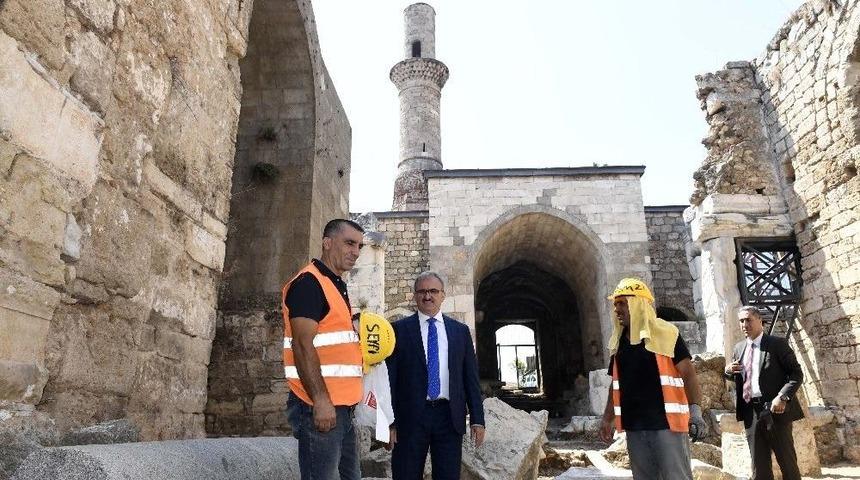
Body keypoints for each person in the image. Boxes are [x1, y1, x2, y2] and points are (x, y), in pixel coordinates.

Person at [598, 278, 707, 480]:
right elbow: (615, 384)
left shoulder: (666, 334)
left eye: (622, 303)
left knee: (676, 477)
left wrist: (696, 412)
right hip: (634, 426)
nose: (617, 309)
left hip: (667, 425)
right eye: (615, 304)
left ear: (637, 304)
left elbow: (689, 374)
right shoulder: (618, 343)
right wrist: (607, 418)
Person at [282, 219, 365, 480]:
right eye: (349, 243)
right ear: (327, 243)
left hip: (344, 408)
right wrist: (321, 401)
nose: (356, 251)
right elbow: (302, 344)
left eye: (360, 246)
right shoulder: (310, 283)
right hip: (320, 406)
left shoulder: (336, 284)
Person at [386, 271, 485, 480]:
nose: (427, 296)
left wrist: (478, 419)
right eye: (422, 291)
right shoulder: (397, 331)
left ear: (443, 295)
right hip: (410, 418)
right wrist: (389, 421)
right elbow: (390, 380)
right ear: (415, 296)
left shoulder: (460, 332)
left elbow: (470, 379)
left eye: (433, 291)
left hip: (449, 417)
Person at [724, 306, 803, 480]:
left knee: (788, 464)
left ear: (760, 320)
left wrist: (783, 397)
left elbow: (796, 373)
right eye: (741, 321)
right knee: (759, 470)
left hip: (775, 411)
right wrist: (728, 371)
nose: (745, 324)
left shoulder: (777, 344)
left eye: (749, 320)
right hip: (751, 414)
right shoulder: (739, 348)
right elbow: (738, 377)